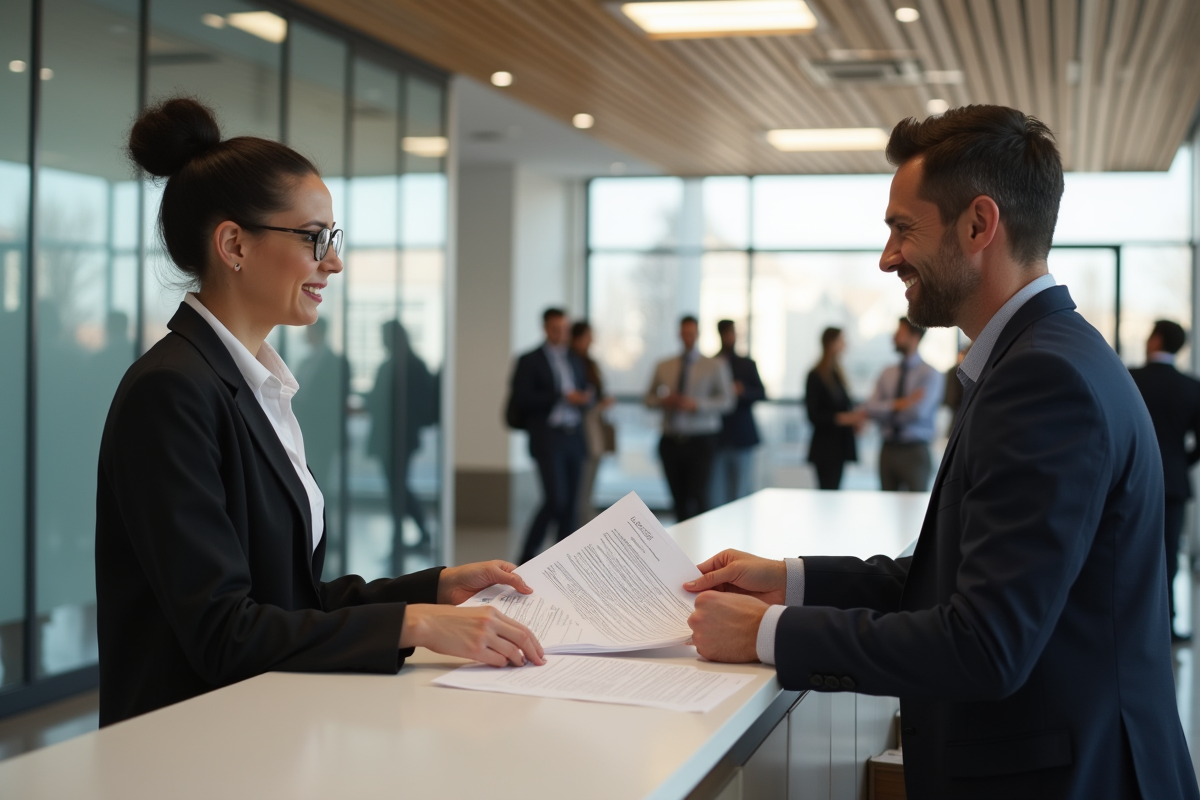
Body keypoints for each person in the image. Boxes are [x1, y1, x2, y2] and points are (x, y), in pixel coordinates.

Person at [684, 105, 1197, 798]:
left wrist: (769, 633)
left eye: (904, 229)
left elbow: (984, 644)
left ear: (979, 225)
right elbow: (955, 579)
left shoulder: (1044, 379)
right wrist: (790, 580)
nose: (888, 257)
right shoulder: (1045, 356)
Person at [97, 98, 544, 727]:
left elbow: (289, 601)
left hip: (257, 730)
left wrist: (435, 588)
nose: (332, 261)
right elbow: (223, 631)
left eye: (332, 238)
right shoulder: (172, 391)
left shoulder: (252, 386)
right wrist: (415, 624)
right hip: (185, 744)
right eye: (314, 238)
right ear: (234, 244)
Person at [1130, 319, 1200, 643]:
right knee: (1169, 555)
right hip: (1172, 482)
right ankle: (1166, 627)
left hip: (1131, 480)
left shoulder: (1130, 379)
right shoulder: (1191, 386)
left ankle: (1130, 626)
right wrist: (1180, 463)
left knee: (1128, 551)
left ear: (1156, 340)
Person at [508, 308, 591, 564]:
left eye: (565, 329)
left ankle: (564, 561)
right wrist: (561, 396)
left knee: (571, 506)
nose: (561, 334)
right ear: (545, 328)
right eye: (556, 329)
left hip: (573, 436)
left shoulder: (574, 358)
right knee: (556, 500)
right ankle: (526, 556)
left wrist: (584, 399)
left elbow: (585, 390)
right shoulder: (529, 360)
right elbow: (522, 398)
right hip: (548, 437)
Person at [644, 315, 735, 521]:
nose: (688, 337)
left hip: (701, 439)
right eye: (684, 333)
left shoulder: (714, 365)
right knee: (678, 500)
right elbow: (648, 399)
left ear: (698, 334)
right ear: (679, 334)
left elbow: (728, 401)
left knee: (699, 496)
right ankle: (680, 540)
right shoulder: (664, 365)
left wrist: (697, 405)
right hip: (671, 439)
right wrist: (663, 401)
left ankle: (701, 540)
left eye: (691, 333)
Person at [367, 319, 439, 574]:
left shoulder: (413, 365)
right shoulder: (390, 364)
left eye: (384, 336)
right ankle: (411, 535)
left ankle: (414, 534)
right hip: (386, 436)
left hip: (402, 437)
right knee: (397, 487)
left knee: (398, 488)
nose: (382, 341)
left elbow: (421, 404)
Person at [862, 317, 943, 491]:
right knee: (886, 503)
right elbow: (870, 407)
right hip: (887, 448)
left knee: (917, 504)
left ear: (915, 337)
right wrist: (902, 403)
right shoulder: (887, 372)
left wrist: (886, 407)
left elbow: (918, 412)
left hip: (915, 449)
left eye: (900, 333)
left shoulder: (930, 374)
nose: (894, 337)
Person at [711, 319, 766, 506]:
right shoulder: (712, 363)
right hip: (717, 436)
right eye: (727, 333)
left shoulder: (746, 364)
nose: (730, 337)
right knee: (717, 494)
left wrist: (743, 391)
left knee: (740, 492)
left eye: (732, 333)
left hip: (742, 434)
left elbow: (762, 393)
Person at [570, 320, 614, 525]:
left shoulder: (589, 364)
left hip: (594, 428)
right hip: (582, 431)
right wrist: (595, 404)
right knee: (580, 489)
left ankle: (584, 522)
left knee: (588, 486)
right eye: (588, 337)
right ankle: (580, 526)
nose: (591, 341)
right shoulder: (571, 363)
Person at [804, 327, 858, 490]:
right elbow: (813, 415)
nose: (845, 344)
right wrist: (844, 418)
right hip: (825, 449)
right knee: (828, 491)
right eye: (841, 340)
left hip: (839, 446)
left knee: (834, 491)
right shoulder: (815, 376)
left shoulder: (837, 374)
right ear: (831, 343)